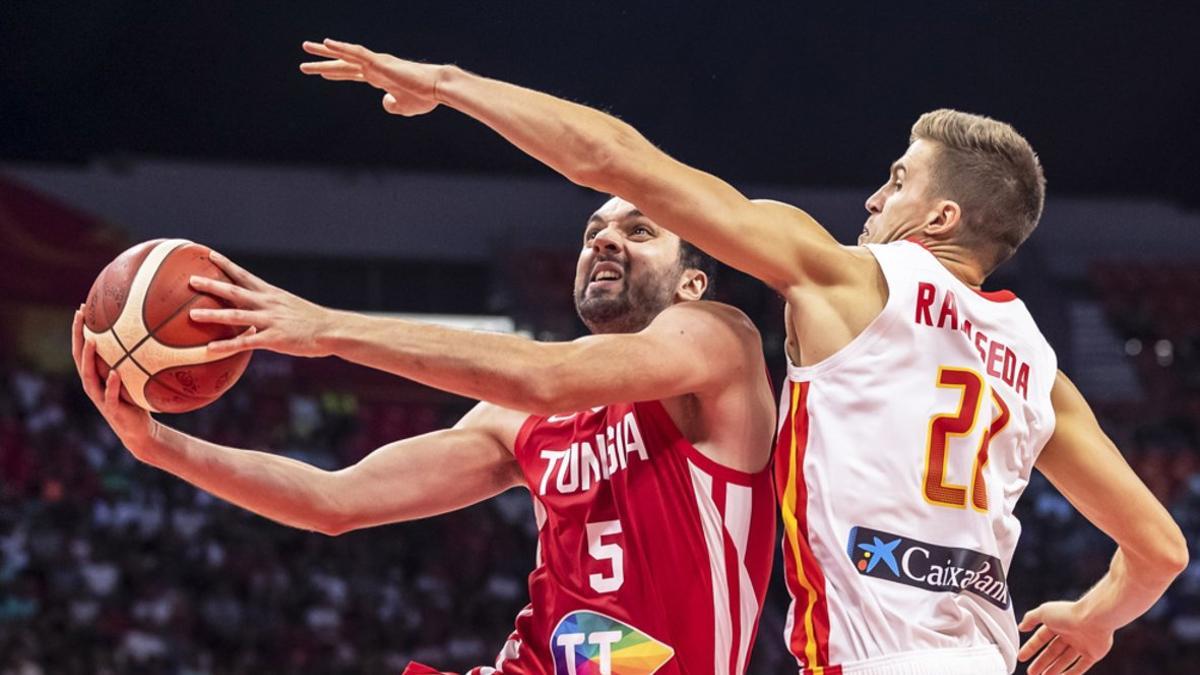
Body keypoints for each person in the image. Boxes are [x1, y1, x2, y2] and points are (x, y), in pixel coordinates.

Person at [298, 38, 1189, 675]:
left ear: (943, 216)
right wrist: (1093, 618)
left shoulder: (842, 277)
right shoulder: (1037, 364)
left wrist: (452, 84)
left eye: (898, 179)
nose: (876, 196)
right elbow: (1157, 551)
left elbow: (619, 159)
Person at [73, 197, 778, 675]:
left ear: (691, 283)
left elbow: (548, 373)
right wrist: (155, 445)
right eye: (594, 228)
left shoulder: (716, 340)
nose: (604, 238)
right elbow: (334, 500)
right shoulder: (521, 423)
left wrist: (322, 327)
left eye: (639, 230)